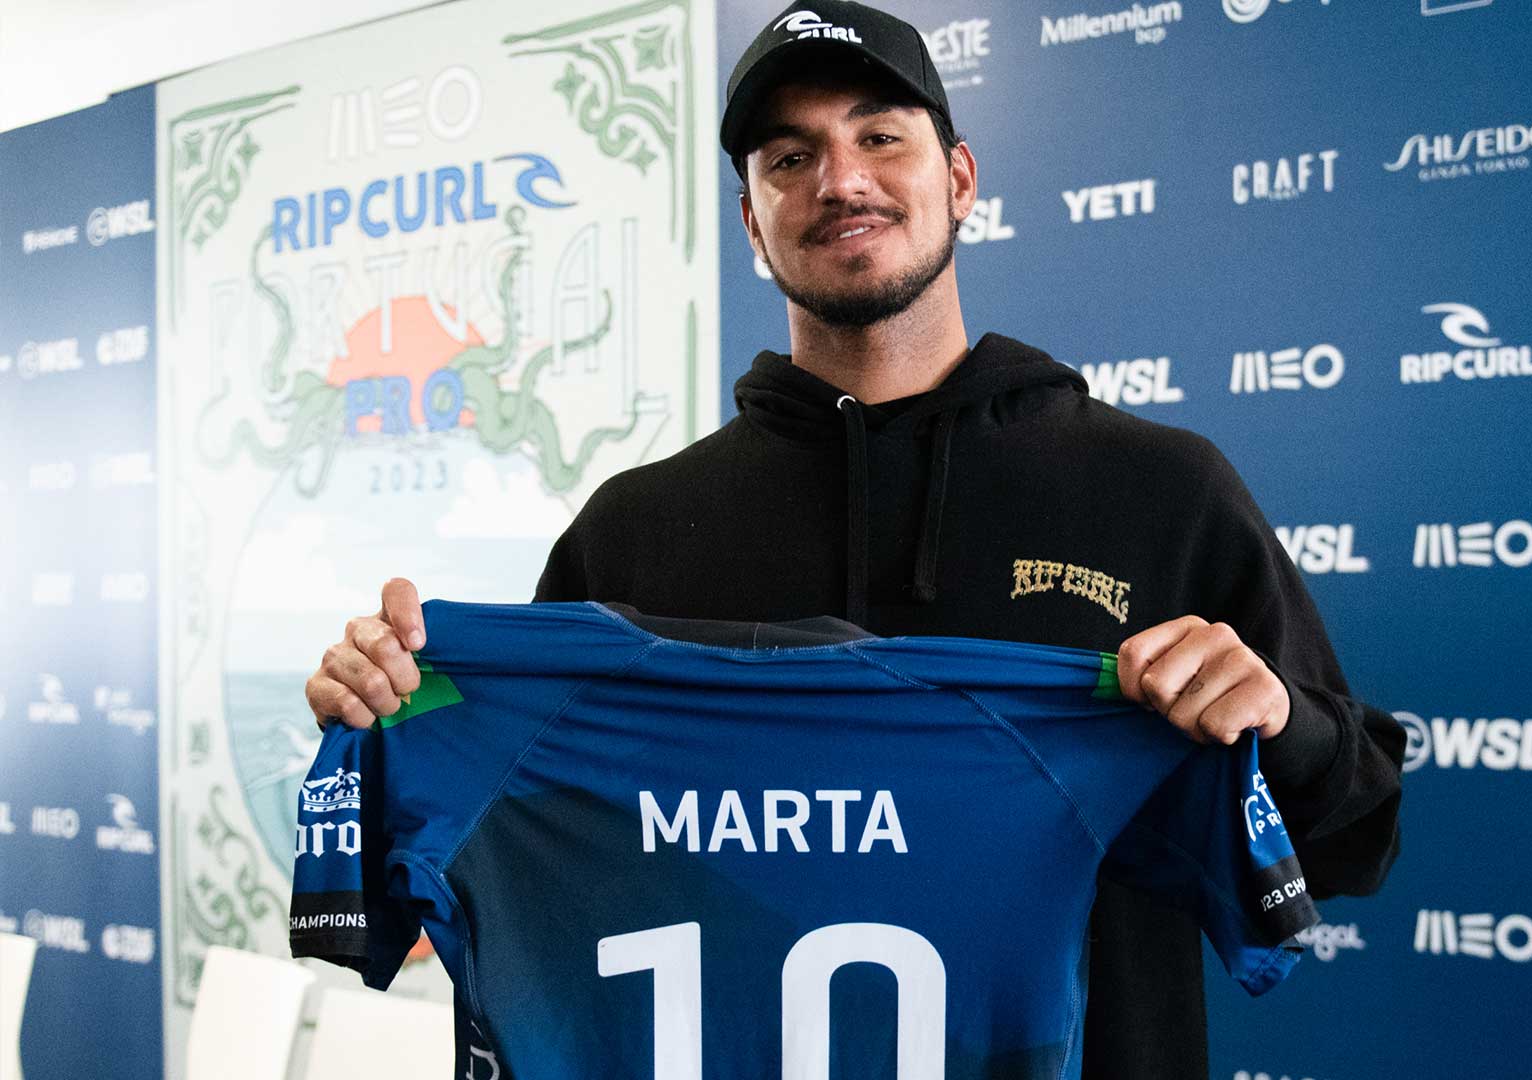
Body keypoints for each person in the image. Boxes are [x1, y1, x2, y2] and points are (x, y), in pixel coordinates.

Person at [305, 2, 1405, 1075]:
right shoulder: (632, 527)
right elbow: (524, 832)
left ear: (960, 179)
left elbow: (1357, 837)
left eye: (880, 135)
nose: (839, 180)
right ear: (751, 220)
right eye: (789, 158)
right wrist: (398, 705)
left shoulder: (1161, 490)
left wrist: (1283, 728)